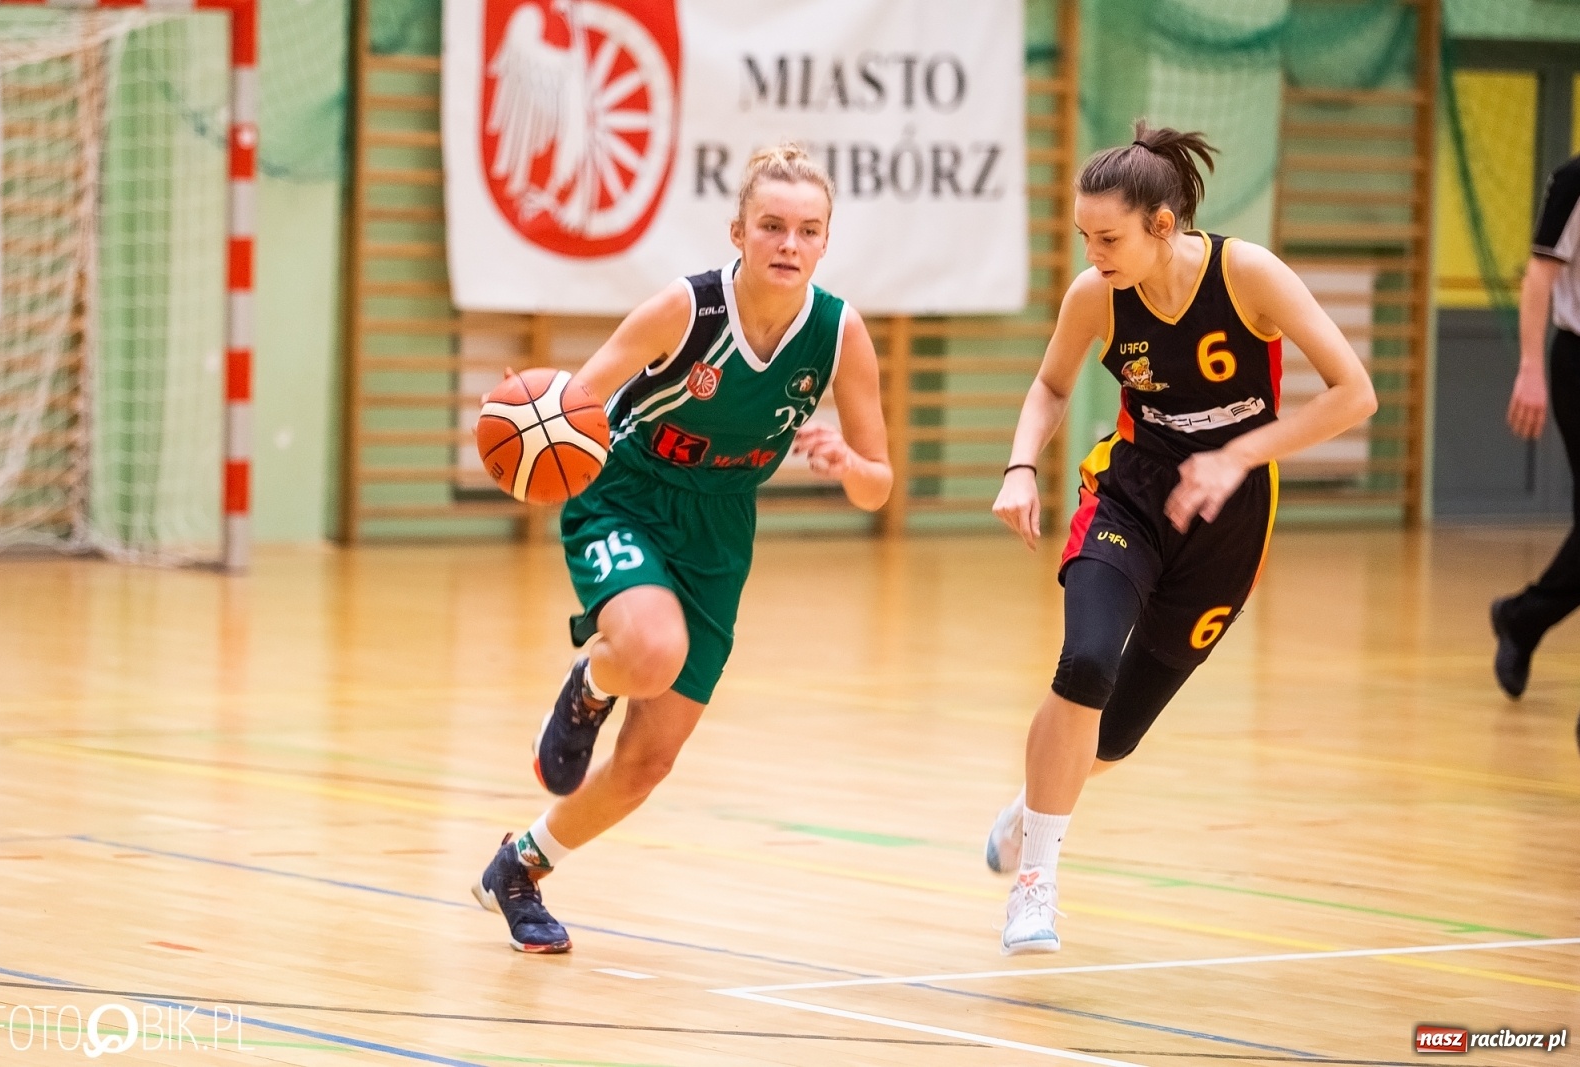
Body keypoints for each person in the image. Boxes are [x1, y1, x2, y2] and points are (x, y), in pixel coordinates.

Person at [473, 144, 893, 953]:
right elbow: (580, 399)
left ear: (826, 241)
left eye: (808, 230)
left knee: (648, 762)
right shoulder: (686, 310)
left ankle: (519, 866)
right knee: (652, 649)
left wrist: (849, 465)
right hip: (626, 490)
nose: (788, 244)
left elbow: (881, 482)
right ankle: (590, 683)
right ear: (738, 230)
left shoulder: (840, 333)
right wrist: (529, 430)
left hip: (722, 522)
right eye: (771, 225)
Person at [986, 121, 1377, 954]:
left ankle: (1030, 806)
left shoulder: (1249, 276)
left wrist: (1237, 455)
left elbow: (1354, 394)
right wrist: (1022, 465)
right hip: (1130, 493)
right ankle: (1036, 883)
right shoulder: (1097, 296)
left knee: (1117, 733)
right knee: (1086, 660)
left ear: (1163, 227)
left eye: (1109, 237)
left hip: (1227, 523)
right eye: (1085, 236)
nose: (1093, 253)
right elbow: (1051, 386)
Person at [1493, 151, 1580, 701]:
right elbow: (1539, 276)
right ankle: (1523, 619)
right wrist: (1530, 369)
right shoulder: (1575, 179)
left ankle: (1523, 618)